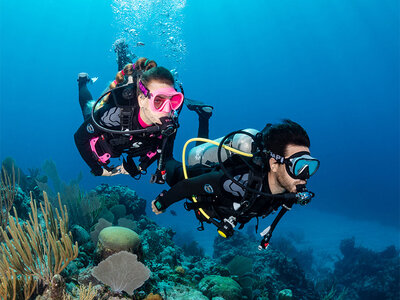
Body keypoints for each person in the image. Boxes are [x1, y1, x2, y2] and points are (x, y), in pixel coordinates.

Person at [151, 120, 320, 249]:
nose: (305, 176)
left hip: (217, 201)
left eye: (310, 166)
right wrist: (162, 203)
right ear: (274, 164)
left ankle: (203, 116)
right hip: (197, 180)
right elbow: (187, 187)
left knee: (199, 150)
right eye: (298, 166)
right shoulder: (238, 181)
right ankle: (167, 132)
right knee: (168, 166)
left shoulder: (289, 191)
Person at [75, 40, 213, 183]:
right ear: (141, 99)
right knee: (87, 108)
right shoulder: (114, 114)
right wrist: (98, 170)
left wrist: (140, 167)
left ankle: (123, 53)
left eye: (173, 100)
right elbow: (79, 137)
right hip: (112, 125)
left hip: (128, 142)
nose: (167, 110)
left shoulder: (170, 120)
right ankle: (82, 81)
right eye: (158, 100)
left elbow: (164, 155)